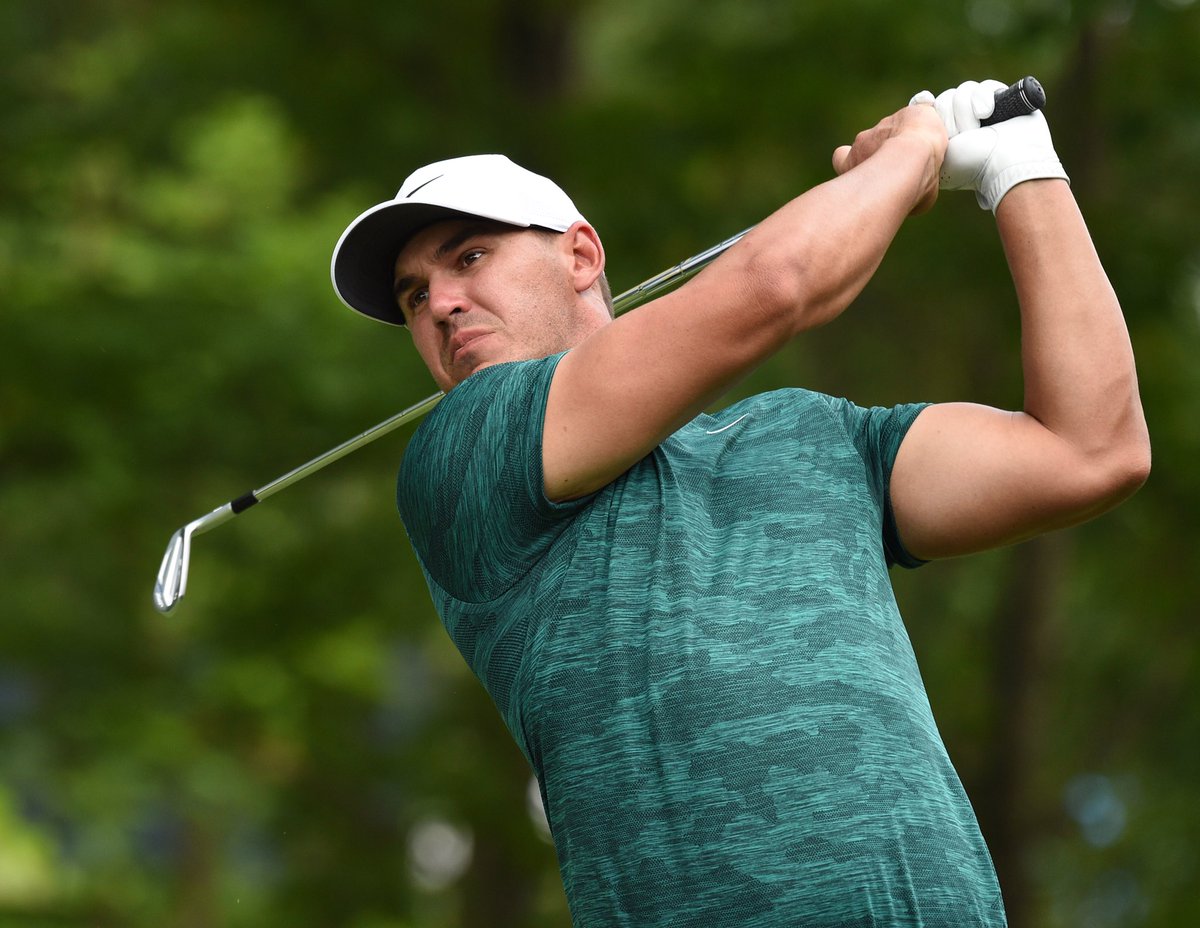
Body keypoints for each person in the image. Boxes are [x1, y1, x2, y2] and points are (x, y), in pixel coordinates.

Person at [329, 80, 1150, 927]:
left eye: (468, 258)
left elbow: (1090, 451)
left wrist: (1020, 167)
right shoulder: (464, 454)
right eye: (413, 297)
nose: (441, 305)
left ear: (580, 256)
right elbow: (777, 284)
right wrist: (914, 150)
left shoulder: (809, 432)